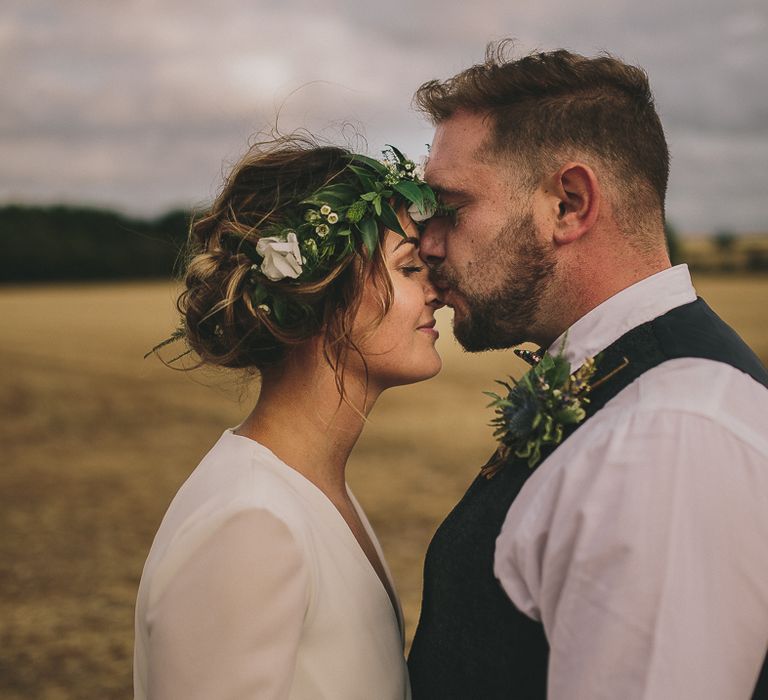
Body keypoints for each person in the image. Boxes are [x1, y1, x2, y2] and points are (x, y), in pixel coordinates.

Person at [406, 42, 768, 700]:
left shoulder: (668, 440)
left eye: (451, 208)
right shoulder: (626, 390)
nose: (425, 243)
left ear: (569, 204)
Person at [133, 137, 442, 699]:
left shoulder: (312, 490)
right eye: (410, 266)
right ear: (319, 288)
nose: (436, 290)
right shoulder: (251, 523)